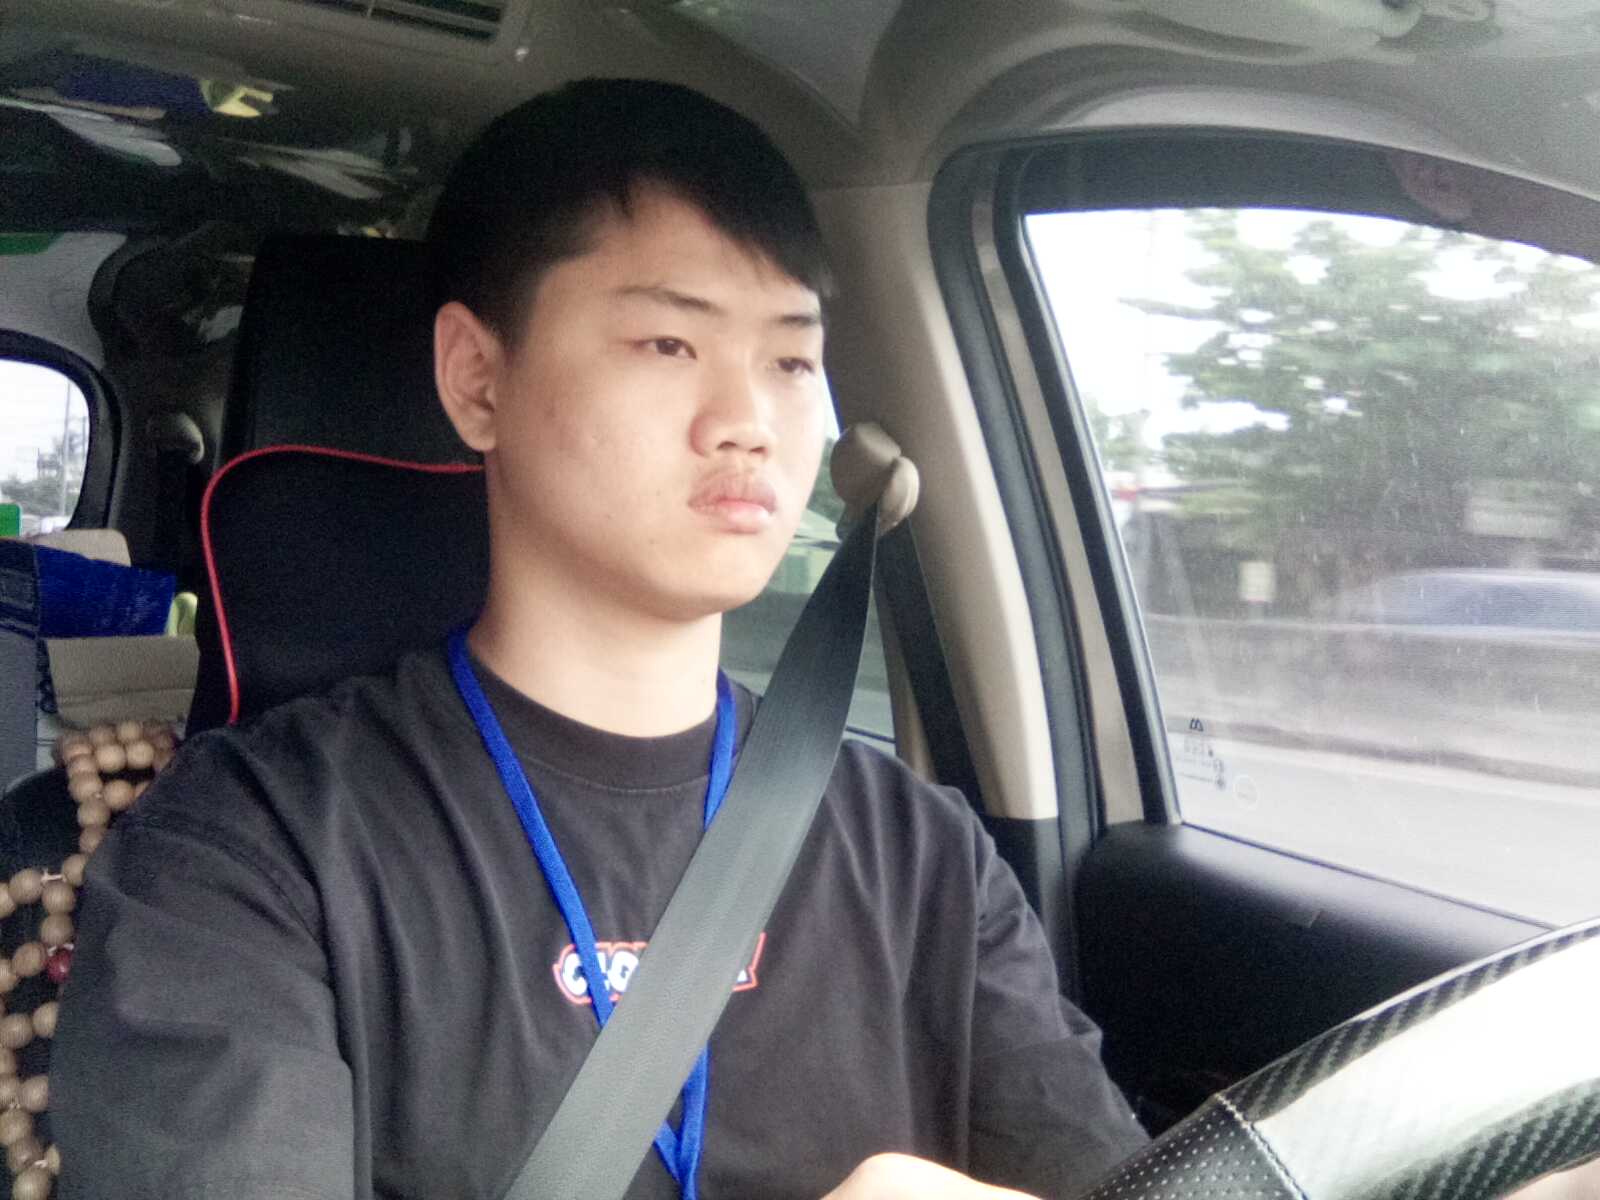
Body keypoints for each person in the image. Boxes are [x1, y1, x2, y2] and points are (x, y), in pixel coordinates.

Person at [50, 79, 1149, 1199]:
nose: (748, 422)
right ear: (477, 379)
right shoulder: (245, 849)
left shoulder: (924, 855)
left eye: (791, 362)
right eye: (669, 343)